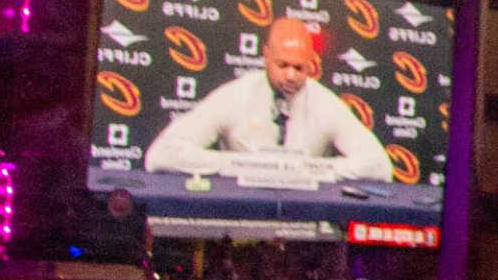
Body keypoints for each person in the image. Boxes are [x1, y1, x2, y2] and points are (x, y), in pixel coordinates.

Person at [144, 17, 400, 182]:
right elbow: (161, 155)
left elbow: (378, 166)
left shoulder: (325, 103)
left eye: (299, 68)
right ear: (266, 55)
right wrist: (240, 165)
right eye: (282, 65)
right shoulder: (235, 95)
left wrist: (311, 170)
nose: (290, 75)